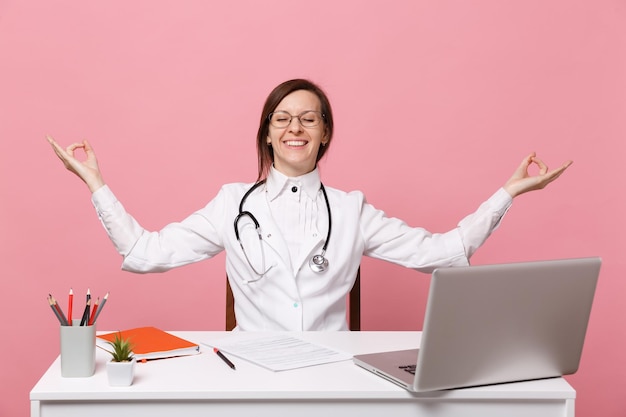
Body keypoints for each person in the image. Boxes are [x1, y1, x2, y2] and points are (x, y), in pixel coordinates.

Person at [47, 78, 572, 331]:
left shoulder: (351, 210)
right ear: (268, 135)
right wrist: (95, 183)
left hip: (335, 378)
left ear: (324, 135)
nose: (294, 127)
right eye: (282, 118)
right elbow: (145, 252)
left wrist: (508, 194)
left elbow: (443, 252)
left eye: (308, 118)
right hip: (250, 379)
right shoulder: (233, 204)